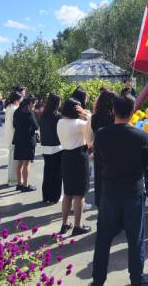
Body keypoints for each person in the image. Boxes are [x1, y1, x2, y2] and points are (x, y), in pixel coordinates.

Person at [92, 95, 148, 286]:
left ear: (113, 111)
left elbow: (98, 161)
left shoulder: (101, 134)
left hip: (109, 192)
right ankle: (137, 280)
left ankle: (98, 280)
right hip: (133, 192)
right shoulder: (141, 136)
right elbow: (147, 163)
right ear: (133, 112)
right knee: (135, 240)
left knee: (103, 239)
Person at [57, 98, 93, 236]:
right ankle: (77, 225)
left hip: (65, 156)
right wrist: (86, 114)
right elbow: (90, 138)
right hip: (79, 156)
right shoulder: (80, 124)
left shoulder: (60, 122)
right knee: (79, 194)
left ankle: (64, 223)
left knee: (68, 193)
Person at [91, 89, 118, 208]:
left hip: (99, 151)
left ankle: (100, 203)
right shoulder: (114, 117)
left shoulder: (95, 117)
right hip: (113, 152)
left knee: (99, 179)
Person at [40, 93, 63, 204]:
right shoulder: (57, 116)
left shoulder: (43, 114)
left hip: (45, 147)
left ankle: (46, 196)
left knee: (48, 172)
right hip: (57, 147)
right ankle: (55, 197)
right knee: (57, 173)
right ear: (57, 103)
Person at [13, 96, 39, 192]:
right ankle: (25, 185)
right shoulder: (29, 113)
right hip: (28, 140)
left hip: (18, 139)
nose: (34, 106)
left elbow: (14, 125)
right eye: (33, 104)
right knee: (26, 163)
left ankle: (19, 184)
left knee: (19, 162)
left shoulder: (17, 111)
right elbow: (36, 126)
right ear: (30, 104)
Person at [4, 91, 23, 186]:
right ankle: (13, 180)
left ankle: (12, 179)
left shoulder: (9, 107)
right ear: (16, 101)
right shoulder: (15, 109)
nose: (21, 102)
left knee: (12, 160)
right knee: (14, 161)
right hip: (14, 137)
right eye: (20, 100)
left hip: (10, 136)